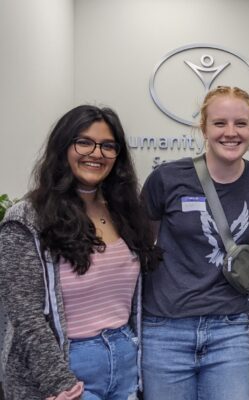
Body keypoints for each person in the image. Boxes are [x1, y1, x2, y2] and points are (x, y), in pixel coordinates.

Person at [0, 105, 160, 400]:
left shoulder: (125, 214)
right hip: (66, 368)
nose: (96, 153)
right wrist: (57, 382)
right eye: (84, 142)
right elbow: (25, 314)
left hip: (124, 360)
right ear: (63, 147)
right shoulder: (26, 218)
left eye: (107, 146)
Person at [141, 86, 249, 400]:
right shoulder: (166, 179)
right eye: (220, 123)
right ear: (203, 128)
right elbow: (142, 246)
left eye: (241, 123)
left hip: (228, 330)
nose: (231, 132)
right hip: (166, 330)